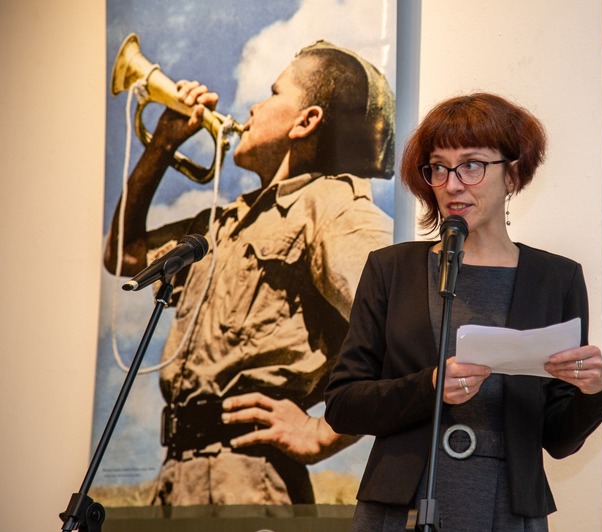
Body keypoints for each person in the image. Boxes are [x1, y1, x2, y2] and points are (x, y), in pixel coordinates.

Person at [103, 40, 395, 506]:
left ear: (307, 121)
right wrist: (161, 145)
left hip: (250, 478)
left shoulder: (334, 206)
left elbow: (405, 328)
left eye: (273, 93)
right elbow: (126, 255)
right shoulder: (221, 222)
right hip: (178, 478)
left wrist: (323, 433)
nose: (254, 107)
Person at [324, 92, 602, 531]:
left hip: (507, 508)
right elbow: (343, 405)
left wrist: (596, 389)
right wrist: (431, 386)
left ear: (513, 174)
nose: (453, 184)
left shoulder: (557, 279)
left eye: (472, 165)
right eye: (438, 167)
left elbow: (558, 437)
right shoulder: (391, 269)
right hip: (399, 507)